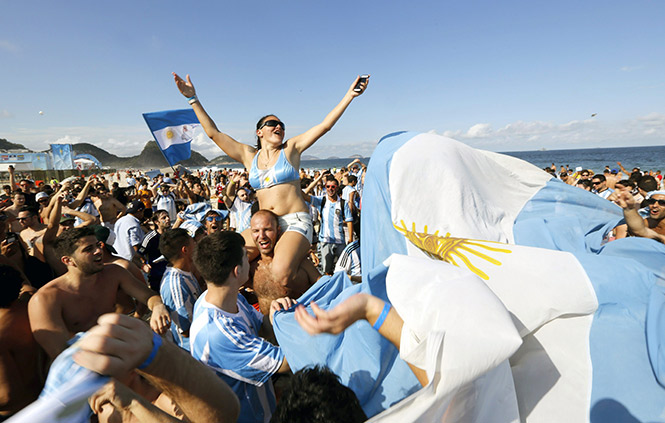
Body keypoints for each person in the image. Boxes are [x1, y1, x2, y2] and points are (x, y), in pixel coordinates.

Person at [173, 71, 369, 289]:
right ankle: (303, 269)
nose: (279, 127)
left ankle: (319, 284)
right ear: (259, 132)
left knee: (281, 274)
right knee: (226, 264)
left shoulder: (291, 149)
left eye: (282, 125)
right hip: (264, 226)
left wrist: (349, 96)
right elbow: (213, 134)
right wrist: (192, 99)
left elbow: (324, 126)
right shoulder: (248, 155)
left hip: (295, 221)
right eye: (272, 123)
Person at [189, 231, 293, 423]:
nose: (250, 259)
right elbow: (285, 362)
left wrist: (274, 312)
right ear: (237, 271)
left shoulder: (226, 298)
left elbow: (262, 327)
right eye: (246, 256)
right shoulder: (217, 333)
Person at [27, 227, 171, 359]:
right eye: (89, 249)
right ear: (68, 260)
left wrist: (158, 306)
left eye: (98, 245)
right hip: (83, 367)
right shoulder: (46, 299)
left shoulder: (114, 273)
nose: (98, 251)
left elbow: (149, 296)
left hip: (118, 350)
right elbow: (61, 354)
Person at [70, 313, 240, 423]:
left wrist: (133, 403)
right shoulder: (108, 411)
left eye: (102, 372)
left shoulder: (169, 400)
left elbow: (223, 415)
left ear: (131, 368)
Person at [249, 210, 320, 313]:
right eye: (256, 231)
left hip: (295, 325)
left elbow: (326, 288)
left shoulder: (299, 264)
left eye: (267, 230)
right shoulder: (251, 266)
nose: (262, 235)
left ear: (278, 230)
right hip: (266, 326)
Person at [0, 265, 43, 419]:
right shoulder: (33, 304)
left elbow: (7, 396)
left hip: (19, 414)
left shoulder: (2, 332)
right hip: (43, 397)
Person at [159, 228, 203, 351]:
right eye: (193, 243)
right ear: (185, 250)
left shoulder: (185, 273)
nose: (196, 245)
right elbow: (185, 330)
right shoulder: (176, 285)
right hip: (190, 351)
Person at [307, 176, 354, 274]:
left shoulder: (342, 203)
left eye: (333, 187)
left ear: (337, 188)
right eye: (328, 186)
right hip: (325, 241)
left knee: (343, 271)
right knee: (327, 271)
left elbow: (349, 221)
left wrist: (350, 239)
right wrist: (318, 178)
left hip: (340, 241)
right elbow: (304, 194)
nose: (330, 189)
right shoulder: (321, 201)